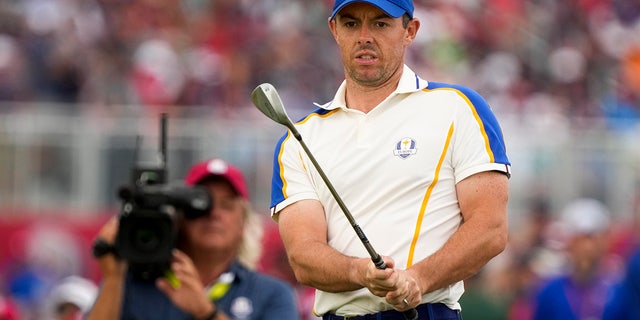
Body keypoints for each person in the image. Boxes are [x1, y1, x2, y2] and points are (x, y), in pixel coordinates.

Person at [265, 0, 511, 319]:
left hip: (428, 312)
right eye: (352, 24)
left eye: (381, 24)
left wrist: (419, 278)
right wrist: (361, 272)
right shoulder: (299, 138)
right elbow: (303, 257)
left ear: (410, 31)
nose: (365, 36)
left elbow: (490, 228)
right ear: (334, 30)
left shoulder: (458, 108)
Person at [87, 158, 300, 320]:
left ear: (243, 224)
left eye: (227, 206)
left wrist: (205, 311)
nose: (214, 213)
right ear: (179, 219)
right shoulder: (133, 285)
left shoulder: (272, 294)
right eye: (200, 204)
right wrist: (113, 279)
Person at [532, 198, 615, 320]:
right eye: (580, 240)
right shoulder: (550, 291)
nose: (587, 248)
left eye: (593, 241)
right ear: (569, 244)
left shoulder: (617, 291)